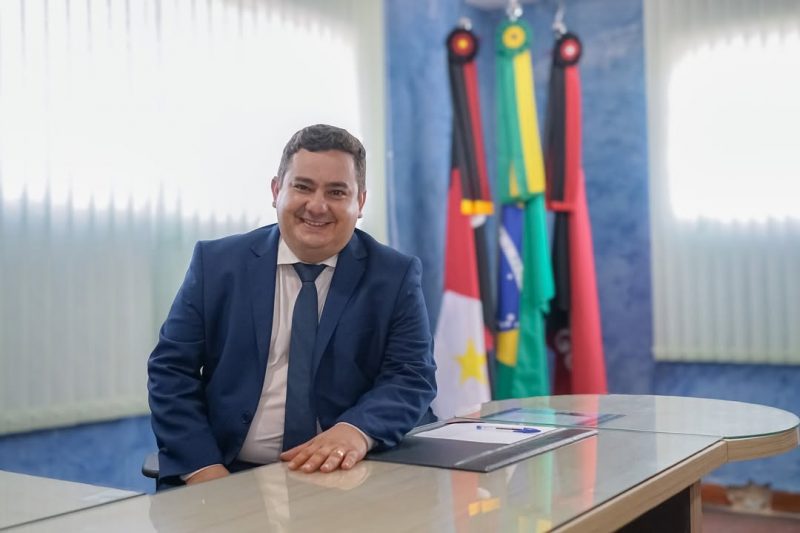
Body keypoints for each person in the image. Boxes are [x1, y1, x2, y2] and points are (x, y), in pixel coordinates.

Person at [147, 124, 437, 488]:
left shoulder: (394, 276)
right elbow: (171, 371)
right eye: (303, 187)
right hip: (227, 471)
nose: (317, 205)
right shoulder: (217, 264)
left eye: (336, 192)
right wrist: (204, 471)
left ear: (360, 203)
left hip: (347, 476)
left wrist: (356, 430)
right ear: (276, 191)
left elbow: (411, 376)